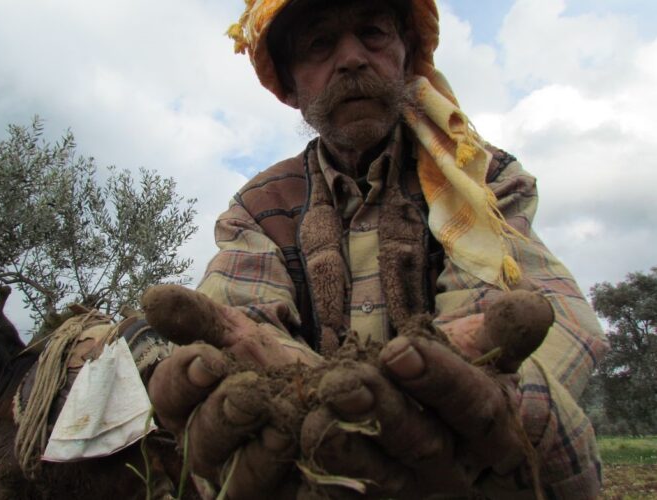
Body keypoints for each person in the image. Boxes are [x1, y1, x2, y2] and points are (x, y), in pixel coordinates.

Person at [146, 0, 609, 498]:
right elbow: (240, 317)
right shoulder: (259, 206)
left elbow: (520, 312)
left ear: (406, 55)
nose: (351, 58)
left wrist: (464, 397)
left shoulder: (480, 180)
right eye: (319, 44)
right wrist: (299, 393)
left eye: (371, 32)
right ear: (292, 87)